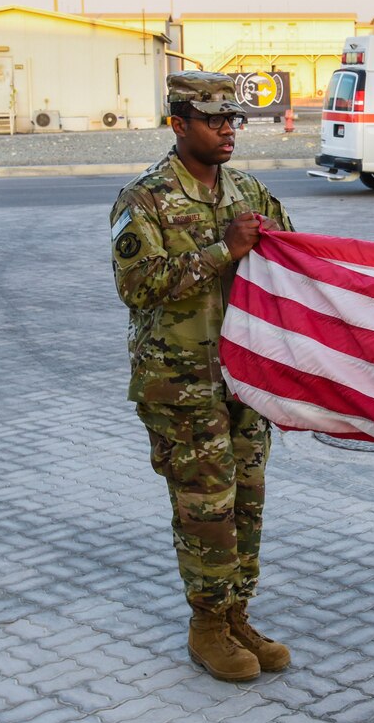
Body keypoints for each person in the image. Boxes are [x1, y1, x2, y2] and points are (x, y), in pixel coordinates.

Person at [112, 72, 293, 684]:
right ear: (178, 124)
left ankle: (237, 613)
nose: (225, 129)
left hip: (243, 376)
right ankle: (206, 626)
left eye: (232, 119)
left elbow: (293, 256)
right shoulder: (145, 198)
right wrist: (223, 250)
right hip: (180, 380)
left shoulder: (249, 191)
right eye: (211, 118)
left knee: (247, 500)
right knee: (205, 507)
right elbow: (136, 287)